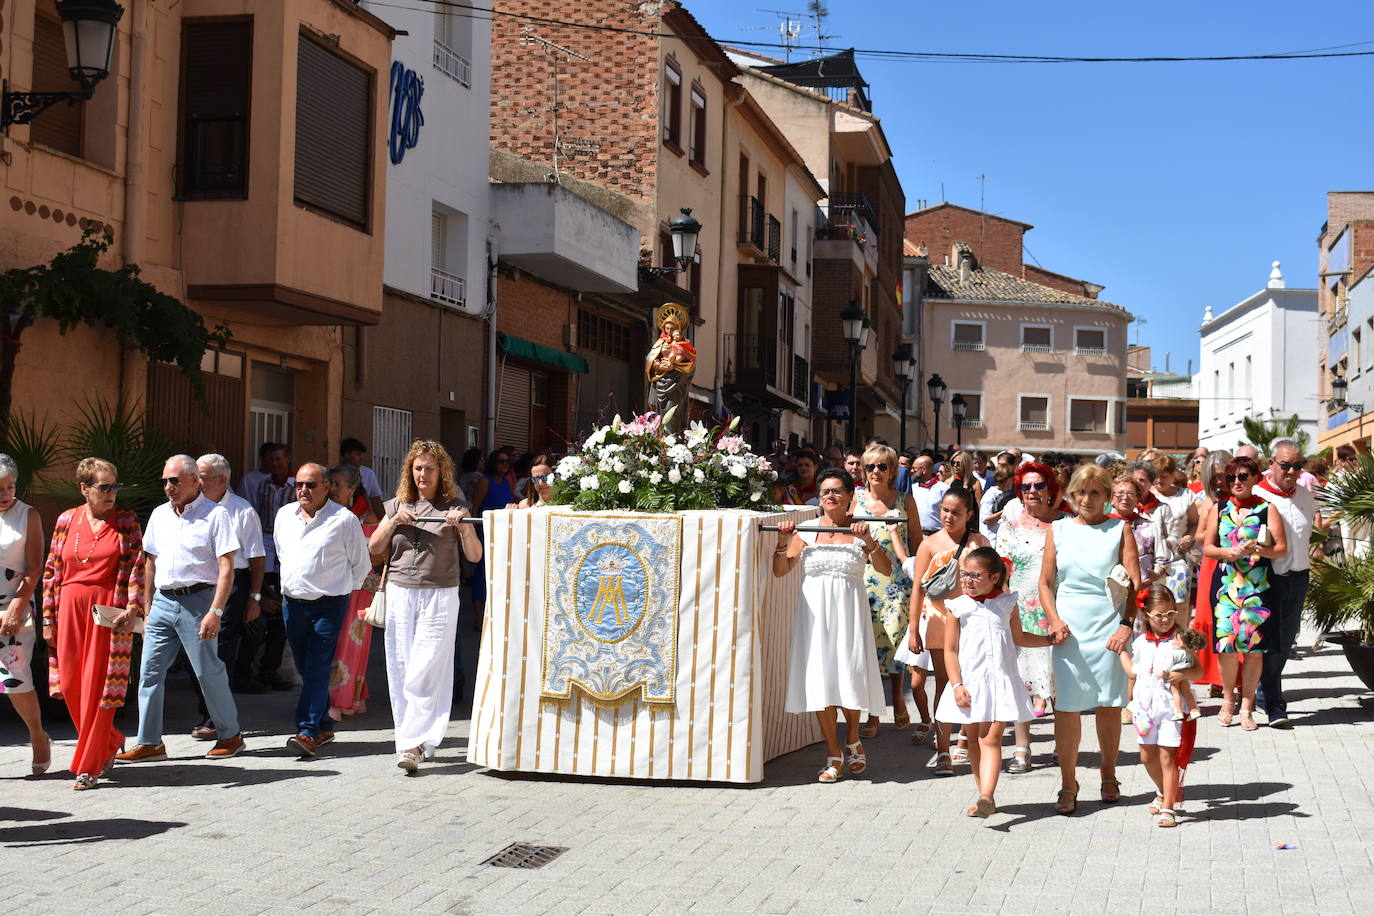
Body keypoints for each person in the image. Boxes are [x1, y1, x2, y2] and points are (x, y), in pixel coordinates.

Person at [117, 456, 244, 764]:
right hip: (162, 601)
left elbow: (227, 567)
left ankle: (231, 735)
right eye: (164, 481)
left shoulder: (216, 516)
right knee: (149, 672)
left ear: (194, 480)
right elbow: (150, 564)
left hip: (199, 601)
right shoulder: (160, 515)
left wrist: (216, 610)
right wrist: (146, 608)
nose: (168, 487)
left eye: (174, 480)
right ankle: (149, 742)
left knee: (207, 672)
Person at [368, 440, 483, 772]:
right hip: (401, 592)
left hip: (441, 593)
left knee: (426, 667)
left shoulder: (455, 503)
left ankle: (418, 741)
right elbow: (374, 548)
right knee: (402, 666)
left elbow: (474, 556)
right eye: (418, 468)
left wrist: (462, 528)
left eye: (430, 468)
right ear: (410, 470)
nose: (423, 474)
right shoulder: (397, 504)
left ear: (441, 471)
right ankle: (413, 743)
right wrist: (391, 522)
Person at [774, 469, 888, 783]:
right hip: (814, 614)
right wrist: (783, 541)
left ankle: (853, 736)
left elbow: (885, 569)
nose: (830, 496)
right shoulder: (806, 529)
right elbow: (781, 570)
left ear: (851, 496)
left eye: (837, 491)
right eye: (825, 491)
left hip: (849, 611)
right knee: (821, 681)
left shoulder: (860, 530)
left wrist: (869, 542)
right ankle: (834, 754)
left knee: (849, 675)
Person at [1040, 464, 1141, 815]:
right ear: (1071, 494)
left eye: (1095, 492)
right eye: (1081, 492)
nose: (1087, 499)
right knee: (1066, 707)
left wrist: (1126, 626)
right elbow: (1045, 583)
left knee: (1109, 705)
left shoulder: (1120, 529)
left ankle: (1109, 773)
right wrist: (1053, 620)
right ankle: (1068, 782)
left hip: (1109, 627)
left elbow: (1135, 585)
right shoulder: (1059, 529)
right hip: (1068, 630)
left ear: (1108, 496)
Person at [41, 458, 145, 790]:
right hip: (68, 608)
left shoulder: (126, 521)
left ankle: (89, 766)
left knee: (100, 689)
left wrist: (134, 606)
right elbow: (50, 572)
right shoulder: (65, 520)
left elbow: (138, 568)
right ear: (84, 488)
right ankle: (110, 740)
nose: (112, 492)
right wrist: (47, 618)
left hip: (107, 612)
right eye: (104, 486)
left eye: (115, 485)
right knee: (72, 686)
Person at [936, 547, 1052, 817]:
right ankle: (983, 796)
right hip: (970, 684)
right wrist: (956, 685)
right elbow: (950, 651)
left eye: (975, 575)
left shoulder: (1007, 604)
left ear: (995, 577)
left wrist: (1048, 640)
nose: (967, 580)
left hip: (1001, 682)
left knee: (992, 738)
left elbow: (1019, 638)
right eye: (964, 574)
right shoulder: (958, 607)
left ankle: (987, 794)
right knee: (975, 738)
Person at [274, 463, 372, 757]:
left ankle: (306, 731)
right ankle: (324, 723)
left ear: (326, 487)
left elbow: (360, 566)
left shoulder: (343, 520)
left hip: (329, 605)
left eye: (311, 485)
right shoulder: (284, 516)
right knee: (306, 667)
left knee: (317, 666)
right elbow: (282, 552)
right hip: (292, 603)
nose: (304, 490)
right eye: (299, 485)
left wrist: (338, 589)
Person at [904, 485, 989, 775]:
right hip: (939, 620)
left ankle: (966, 738)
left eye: (955, 512)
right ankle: (943, 750)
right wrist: (913, 629)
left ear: (969, 514)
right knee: (944, 683)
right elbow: (916, 589)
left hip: (973, 621)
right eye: (944, 510)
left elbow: (994, 582)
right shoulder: (929, 544)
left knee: (973, 681)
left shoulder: (979, 542)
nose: (948, 516)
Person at [1203, 455, 1287, 731]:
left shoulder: (1268, 508)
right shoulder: (1220, 507)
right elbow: (1208, 548)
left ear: (1255, 479)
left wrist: (1257, 549)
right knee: (1226, 646)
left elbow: (1281, 549)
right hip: (1227, 584)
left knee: (1254, 649)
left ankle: (1248, 706)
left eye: (1242, 476)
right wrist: (1229, 552)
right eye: (1231, 478)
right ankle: (1228, 701)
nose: (1236, 482)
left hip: (1258, 585)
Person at [996, 460, 1069, 773]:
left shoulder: (1067, 524)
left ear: (1050, 488)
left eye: (1039, 485)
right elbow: (1001, 572)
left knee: (1059, 683)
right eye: (1026, 486)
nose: (1033, 491)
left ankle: (1062, 745)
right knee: (1021, 681)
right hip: (1020, 612)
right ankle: (1022, 748)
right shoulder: (1010, 526)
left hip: (1058, 610)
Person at [189, 454, 265, 740]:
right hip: (198, 586)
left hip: (233, 585)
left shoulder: (241, 511)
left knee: (220, 650)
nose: (197, 480)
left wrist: (255, 597)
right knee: (194, 650)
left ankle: (214, 718)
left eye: (202, 475)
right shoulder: (193, 508)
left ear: (222, 480)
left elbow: (257, 557)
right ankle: (206, 711)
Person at [851, 444, 920, 738]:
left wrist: (921, 584)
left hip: (897, 585)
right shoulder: (854, 499)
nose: (876, 472)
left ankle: (896, 698)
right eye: (870, 467)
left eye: (882, 466)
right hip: (863, 581)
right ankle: (873, 713)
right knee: (867, 647)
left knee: (893, 644)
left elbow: (918, 543)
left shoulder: (905, 500)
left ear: (892, 471)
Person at [1121, 582, 1204, 828]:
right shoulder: (1139, 643)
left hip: (1171, 709)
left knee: (1168, 758)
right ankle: (1162, 790)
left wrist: (1183, 675)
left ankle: (1168, 806)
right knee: (1147, 756)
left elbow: (1198, 670)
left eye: (1170, 614)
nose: (1165, 620)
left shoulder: (1181, 641)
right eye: (1159, 615)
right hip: (1146, 709)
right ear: (1146, 615)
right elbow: (1133, 674)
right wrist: (1129, 703)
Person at [1254, 439, 1315, 729]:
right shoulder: (1257, 494)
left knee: (1287, 639)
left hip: (1299, 577)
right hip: (1268, 579)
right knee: (1272, 642)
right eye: (1286, 465)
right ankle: (1274, 703)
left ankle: (1263, 692)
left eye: (1298, 466)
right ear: (1271, 464)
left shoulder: (1305, 495)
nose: (1292, 471)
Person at [0, 454, 48, 776]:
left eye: (10, 486)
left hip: (12, 605)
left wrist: (17, 605)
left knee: (14, 678)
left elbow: (34, 565)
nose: (5, 493)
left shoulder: (27, 515)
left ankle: (36, 734)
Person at [325, 463, 382, 721]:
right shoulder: (325, 512)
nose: (333, 489)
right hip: (331, 586)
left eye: (338, 484)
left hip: (359, 588)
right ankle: (345, 698)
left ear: (353, 487)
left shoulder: (366, 516)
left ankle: (343, 700)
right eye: (331, 484)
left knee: (351, 647)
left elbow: (377, 555)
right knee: (332, 644)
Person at [237, 442, 295, 691]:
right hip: (266, 540)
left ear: (288, 460)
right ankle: (253, 670)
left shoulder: (296, 486)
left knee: (281, 614)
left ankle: (270, 669)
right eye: (271, 459)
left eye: (279, 459)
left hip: (290, 543)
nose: (275, 464)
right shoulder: (262, 485)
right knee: (269, 606)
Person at [1190, 450, 1231, 697]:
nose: (1218, 481)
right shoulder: (1207, 502)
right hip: (1212, 563)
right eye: (1213, 476)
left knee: (1232, 620)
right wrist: (1221, 532)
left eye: (1222, 475)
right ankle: (1216, 679)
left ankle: (1233, 681)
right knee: (1211, 619)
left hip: (1236, 563)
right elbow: (1198, 536)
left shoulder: (1245, 497)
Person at [468, 449, 513, 632]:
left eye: (507, 462)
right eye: (501, 461)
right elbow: (475, 508)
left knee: (498, 576)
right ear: (493, 462)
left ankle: (494, 616)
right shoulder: (485, 481)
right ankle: (478, 619)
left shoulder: (506, 483)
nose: (504, 465)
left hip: (503, 535)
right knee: (481, 577)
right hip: (484, 534)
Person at [1151, 454, 1199, 621]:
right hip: (1152, 560)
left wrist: (1189, 537)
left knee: (1178, 603)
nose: (1158, 480)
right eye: (1155, 476)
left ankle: (1179, 638)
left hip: (1178, 558)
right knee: (1154, 604)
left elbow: (1195, 522)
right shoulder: (1148, 495)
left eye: (1163, 476)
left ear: (1172, 475)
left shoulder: (1185, 495)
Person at [340, 437, 386, 520]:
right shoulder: (335, 474)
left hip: (361, 519)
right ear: (347, 455)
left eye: (361, 454)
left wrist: (383, 523)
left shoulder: (368, 473)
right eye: (357, 454)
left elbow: (376, 501)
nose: (361, 458)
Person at [910, 456, 950, 537]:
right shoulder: (912, 488)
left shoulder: (943, 489)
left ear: (924, 469)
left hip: (937, 536)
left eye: (914, 468)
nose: (911, 471)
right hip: (916, 535)